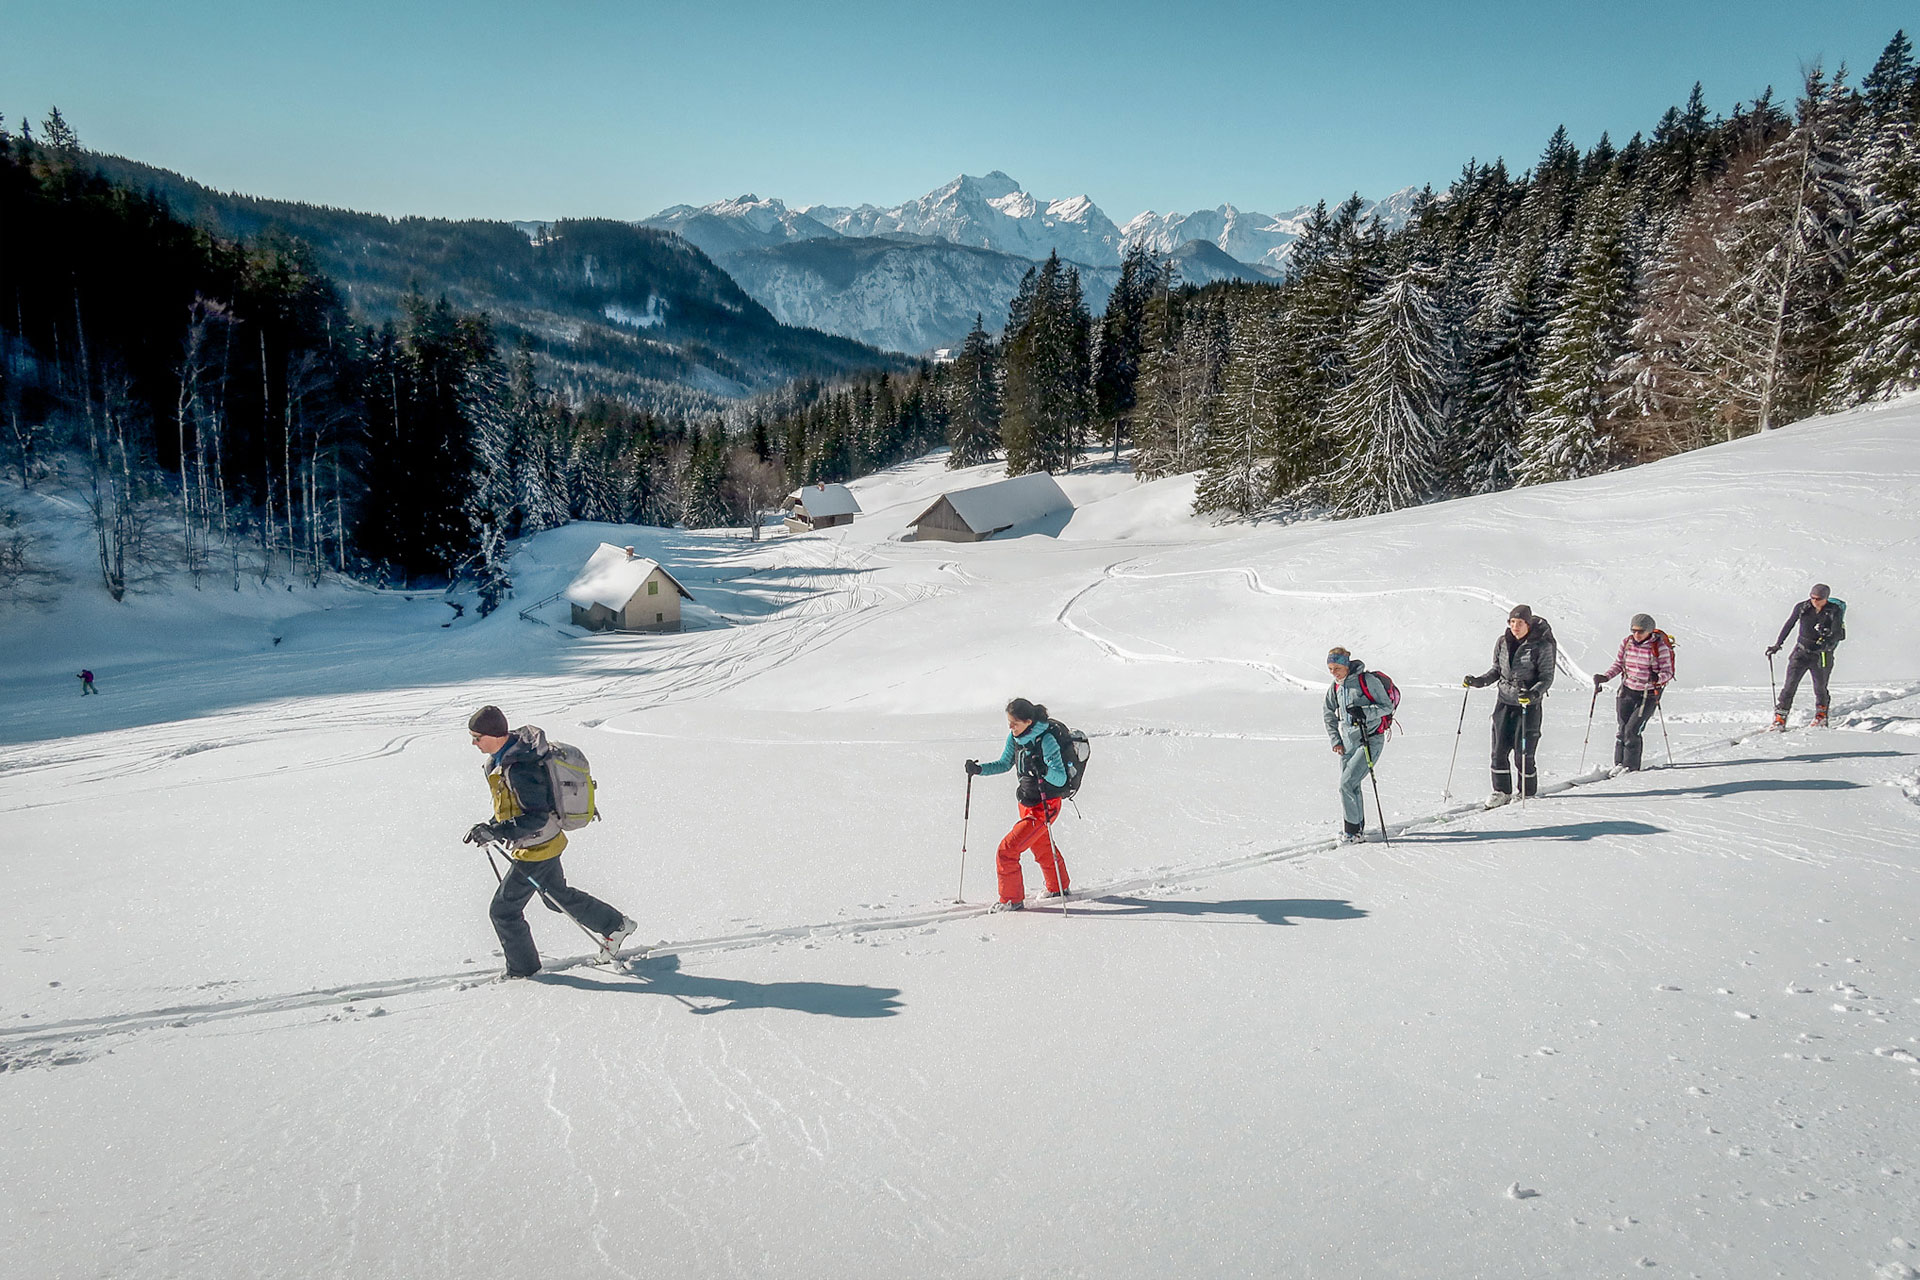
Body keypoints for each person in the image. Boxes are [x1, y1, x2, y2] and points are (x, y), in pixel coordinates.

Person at [461, 705, 635, 978]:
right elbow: (514, 809)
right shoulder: (504, 759)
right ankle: (615, 924)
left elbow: (537, 817)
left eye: (476, 737)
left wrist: (497, 832)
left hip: (537, 849)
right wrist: (491, 827)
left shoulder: (520, 768)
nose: (473, 743)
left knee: (503, 911)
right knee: (556, 898)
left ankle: (523, 971)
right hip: (543, 843)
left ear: (494, 735)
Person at [965, 697, 1071, 911]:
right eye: (1009, 722)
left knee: (1008, 850)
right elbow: (1004, 763)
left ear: (1029, 721)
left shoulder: (1047, 740)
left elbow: (1061, 778)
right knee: (1040, 845)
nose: (1010, 727)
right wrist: (979, 770)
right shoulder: (1014, 738)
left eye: (1014, 722)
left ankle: (1011, 899)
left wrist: (1043, 769)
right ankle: (1058, 887)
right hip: (1026, 802)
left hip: (1046, 805)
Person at [1464, 605, 1558, 807]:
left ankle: (1527, 792)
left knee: (1523, 753)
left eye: (1520, 622)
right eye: (1512, 622)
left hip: (1528, 706)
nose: (1515, 626)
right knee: (1498, 750)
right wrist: (1479, 681)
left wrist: (1533, 693)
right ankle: (1501, 791)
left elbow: (1547, 677)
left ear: (1528, 623)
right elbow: (1497, 670)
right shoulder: (1502, 642)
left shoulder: (1541, 646)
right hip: (1504, 702)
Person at [1323, 647, 1390, 843]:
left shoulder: (1367, 681)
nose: (1333, 672)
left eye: (1337, 668)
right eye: (1330, 668)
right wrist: (1336, 740)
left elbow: (1387, 706)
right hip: (1347, 743)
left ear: (1346, 665)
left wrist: (1364, 712)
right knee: (1353, 785)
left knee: (1346, 784)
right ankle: (1358, 829)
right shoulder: (1335, 687)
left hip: (1370, 739)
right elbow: (1328, 713)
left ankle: (1351, 833)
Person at [1593, 614, 1675, 775]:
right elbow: (1619, 664)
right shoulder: (1627, 642)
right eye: (1633, 630)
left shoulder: (1659, 647)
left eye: (1641, 631)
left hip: (1648, 693)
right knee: (1622, 728)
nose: (1636, 634)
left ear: (1649, 631)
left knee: (1633, 730)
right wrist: (1606, 677)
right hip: (1627, 690)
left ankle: (1630, 768)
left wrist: (1657, 678)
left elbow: (1668, 672)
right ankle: (1619, 764)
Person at [1768, 583, 1845, 728]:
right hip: (1801, 652)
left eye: (1818, 598)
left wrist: (1827, 635)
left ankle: (1821, 716)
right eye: (1812, 597)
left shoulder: (1834, 610)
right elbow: (1789, 624)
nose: (1814, 601)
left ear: (1826, 598)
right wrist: (1778, 644)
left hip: (1821, 655)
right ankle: (1780, 718)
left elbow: (1838, 634)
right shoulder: (1802, 607)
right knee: (1789, 686)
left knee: (1820, 687)